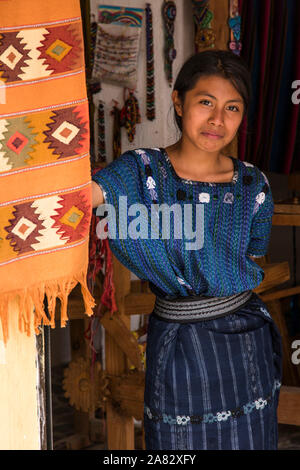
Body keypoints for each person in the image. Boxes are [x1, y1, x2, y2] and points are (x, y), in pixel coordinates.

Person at [91, 50, 283, 450]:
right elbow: (83, 196)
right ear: (179, 102)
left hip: (246, 340)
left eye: (232, 107)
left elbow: (252, 252)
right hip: (178, 343)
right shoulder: (140, 173)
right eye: (205, 103)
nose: (218, 120)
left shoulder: (253, 185)